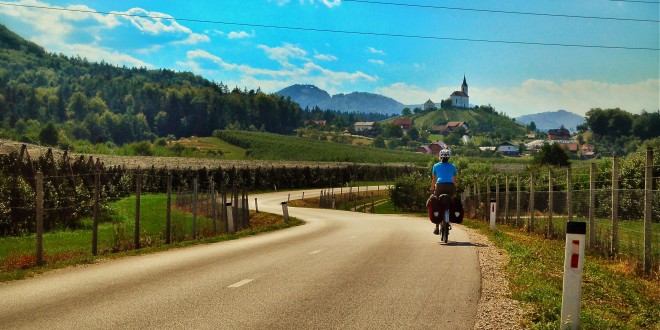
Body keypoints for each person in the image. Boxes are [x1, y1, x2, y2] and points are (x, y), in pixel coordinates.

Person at [430, 148, 457, 235]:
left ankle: (437, 227)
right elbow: (455, 180)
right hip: (450, 186)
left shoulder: (436, 166)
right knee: (451, 200)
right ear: (449, 157)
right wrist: (456, 188)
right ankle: (449, 217)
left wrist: (432, 189)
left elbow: (434, 179)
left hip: (440, 186)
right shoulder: (453, 166)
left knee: (437, 203)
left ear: (440, 157)